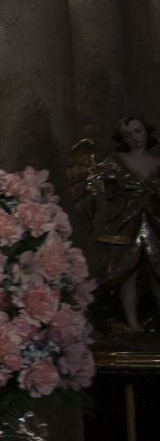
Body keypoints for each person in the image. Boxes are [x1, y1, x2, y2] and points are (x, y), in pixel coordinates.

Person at [81, 115, 160, 331]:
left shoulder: (157, 163)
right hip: (124, 222)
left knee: (156, 270)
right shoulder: (116, 161)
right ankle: (132, 322)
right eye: (128, 134)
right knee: (126, 271)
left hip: (154, 221)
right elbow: (93, 182)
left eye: (138, 131)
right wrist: (101, 204)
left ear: (146, 131)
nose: (134, 138)